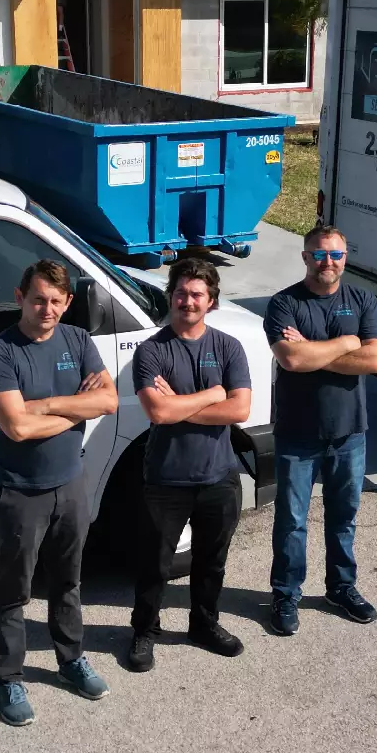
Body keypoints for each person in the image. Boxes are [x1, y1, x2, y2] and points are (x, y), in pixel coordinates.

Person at [0, 259, 120, 726]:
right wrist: (78, 412)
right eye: (39, 299)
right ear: (20, 297)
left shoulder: (77, 340)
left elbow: (109, 400)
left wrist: (49, 405)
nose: (48, 309)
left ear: (68, 303)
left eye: (57, 301)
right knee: (14, 590)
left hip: (70, 484)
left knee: (68, 581)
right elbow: (16, 427)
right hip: (20, 492)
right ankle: (8, 678)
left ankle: (70, 659)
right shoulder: (0, 352)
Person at [127, 256, 254, 671]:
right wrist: (212, 394)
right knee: (153, 564)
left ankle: (204, 624)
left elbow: (240, 411)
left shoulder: (228, 347)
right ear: (171, 296)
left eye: (197, 294)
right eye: (180, 292)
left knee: (211, 560)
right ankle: (144, 632)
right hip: (166, 478)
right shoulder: (151, 350)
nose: (187, 300)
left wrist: (181, 404)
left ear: (211, 302)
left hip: (219, 476)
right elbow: (158, 414)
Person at [262, 225, 377, 635]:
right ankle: (285, 593)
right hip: (297, 434)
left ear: (345, 258)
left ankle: (341, 587)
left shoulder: (362, 300)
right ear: (305, 258)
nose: (327, 262)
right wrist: (348, 342)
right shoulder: (283, 304)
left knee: (344, 516)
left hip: (350, 432)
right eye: (318, 254)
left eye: (334, 255)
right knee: (292, 519)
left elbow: (375, 362)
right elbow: (292, 362)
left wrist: (315, 350)